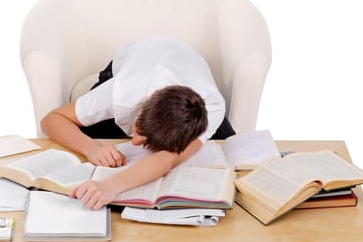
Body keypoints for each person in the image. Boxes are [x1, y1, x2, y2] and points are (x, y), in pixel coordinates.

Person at [40, 37, 234, 210]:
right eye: (139, 128)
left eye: (145, 138)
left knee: (227, 151)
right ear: (152, 96)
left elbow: (169, 158)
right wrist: (92, 148)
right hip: (135, 63)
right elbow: (52, 120)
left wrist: (111, 186)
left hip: (184, 62)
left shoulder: (212, 107)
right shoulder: (120, 92)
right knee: (86, 137)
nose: (135, 142)